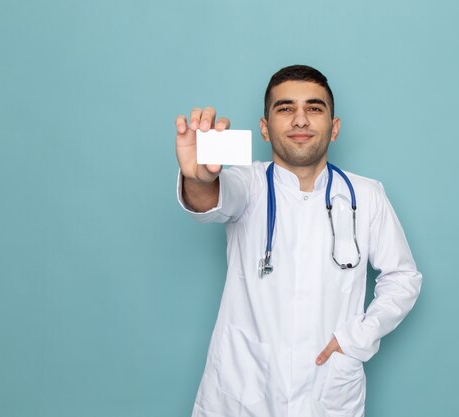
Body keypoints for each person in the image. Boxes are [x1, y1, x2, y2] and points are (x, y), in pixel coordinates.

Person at [174, 65, 422, 417]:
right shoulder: (248, 185)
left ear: (334, 129)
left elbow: (403, 278)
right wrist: (196, 177)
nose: (301, 120)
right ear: (265, 128)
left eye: (315, 108)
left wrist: (357, 340)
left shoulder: (366, 196)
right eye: (285, 108)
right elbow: (209, 197)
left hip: (327, 389)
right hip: (243, 388)